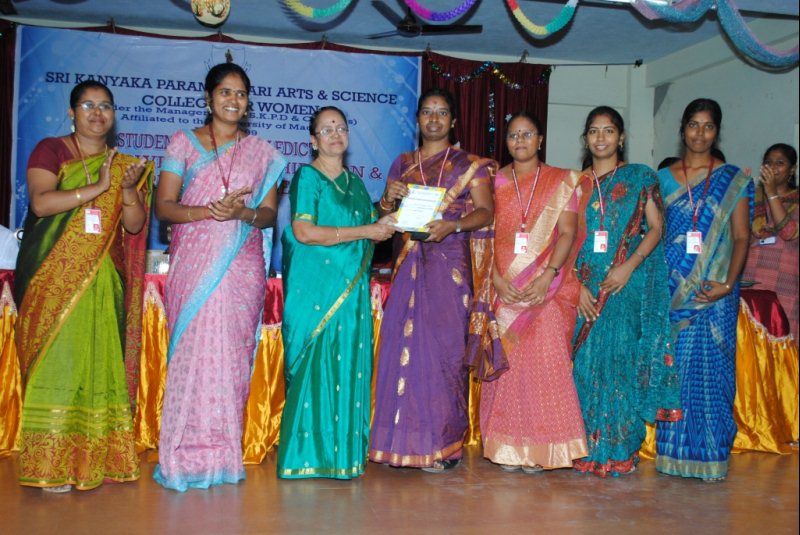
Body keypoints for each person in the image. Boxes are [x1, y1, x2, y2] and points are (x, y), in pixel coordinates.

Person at [154, 62, 286, 491]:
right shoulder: (183, 142)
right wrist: (208, 212)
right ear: (209, 97)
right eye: (225, 92)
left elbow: (268, 215)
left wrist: (241, 213)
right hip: (194, 265)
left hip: (241, 269)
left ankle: (223, 456)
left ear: (248, 103)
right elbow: (164, 206)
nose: (233, 100)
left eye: (241, 93)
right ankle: (181, 456)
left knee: (230, 358)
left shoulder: (263, 153)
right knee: (192, 356)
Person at [15, 80, 152, 491]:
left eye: (105, 106)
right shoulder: (51, 150)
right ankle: (49, 465)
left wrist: (125, 190)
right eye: (88, 105)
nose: (97, 113)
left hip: (104, 280)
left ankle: (98, 458)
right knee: (57, 366)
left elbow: (134, 225)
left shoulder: (125, 164)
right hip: (52, 278)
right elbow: (41, 203)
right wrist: (97, 187)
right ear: (72, 113)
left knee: (97, 366)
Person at [369, 88, 499, 473]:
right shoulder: (402, 163)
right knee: (402, 347)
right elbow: (384, 215)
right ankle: (399, 443)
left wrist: (453, 225)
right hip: (408, 262)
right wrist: (387, 199)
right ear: (418, 120)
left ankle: (443, 448)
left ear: (453, 121)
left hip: (450, 264)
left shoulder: (468, 165)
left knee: (444, 353)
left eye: (442, 112)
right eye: (427, 111)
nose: (434, 119)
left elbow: (486, 212)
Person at [277, 107, 395, 479]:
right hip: (315, 292)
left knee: (346, 366)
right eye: (326, 129)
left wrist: (388, 214)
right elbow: (304, 232)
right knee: (313, 366)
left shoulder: (355, 184)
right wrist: (367, 231)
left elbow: (371, 229)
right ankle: (303, 458)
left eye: (340, 127)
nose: (334, 134)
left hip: (350, 295)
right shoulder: (307, 177)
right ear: (313, 140)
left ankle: (342, 457)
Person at [571, 106, 679, 478]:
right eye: (593, 131)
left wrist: (629, 266)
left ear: (621, 137)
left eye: (608, 130)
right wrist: (576, 285)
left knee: (618, 365)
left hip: (624, 284)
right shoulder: (575, 184)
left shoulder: (640, 177)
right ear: (585, 138)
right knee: (584, 367)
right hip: (585, 288)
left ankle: (617, 450)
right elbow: (564, 238)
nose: (600, 137)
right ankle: (584, 448)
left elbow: (656, 227)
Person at [479, 111, 589, 472]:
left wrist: (548, 275)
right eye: (513, 135)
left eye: (527, 134)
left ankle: (542, 451)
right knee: (508, 371)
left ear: (540, 140)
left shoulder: (560, 181)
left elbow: (568, 232)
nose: (520, 141)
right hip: (504, 288)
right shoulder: (493, 182)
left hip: (547, 289)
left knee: (544, 370)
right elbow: (484, 235)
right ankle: (507, 447)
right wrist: (495, 279)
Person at [655, 98, 752, 482]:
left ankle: (711, 457)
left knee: (712, 377)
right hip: (673, 292)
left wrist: (728, 283)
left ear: (717, 132)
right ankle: (672, 456)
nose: (700, 133)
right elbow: (654, 235)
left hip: (715, 294)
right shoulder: (661, 180)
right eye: (693, 124)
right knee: (674, 374)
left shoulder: (734, 180)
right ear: (682, 129)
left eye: (708, 126)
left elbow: (741, 236)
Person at [742, 143, 798, 342]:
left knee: (783, 345)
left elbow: (788, 231)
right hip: (752, 282)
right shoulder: (752, 198)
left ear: (792, 170)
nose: (773, 167)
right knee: (751, 345)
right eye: (768, 162)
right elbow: (740, 238)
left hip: (785, 287)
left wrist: (772, 193)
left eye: (780, 163)